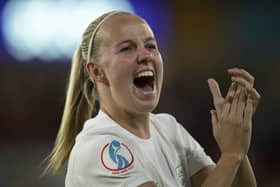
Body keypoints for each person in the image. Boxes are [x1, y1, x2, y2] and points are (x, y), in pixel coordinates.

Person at [45, 10, 261, 187]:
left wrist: (238, 140)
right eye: (126, 48)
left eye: (151, 46)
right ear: (97, 72)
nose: (145, 55)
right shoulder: (100, 148)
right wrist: (231, 154)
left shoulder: (169, 129)